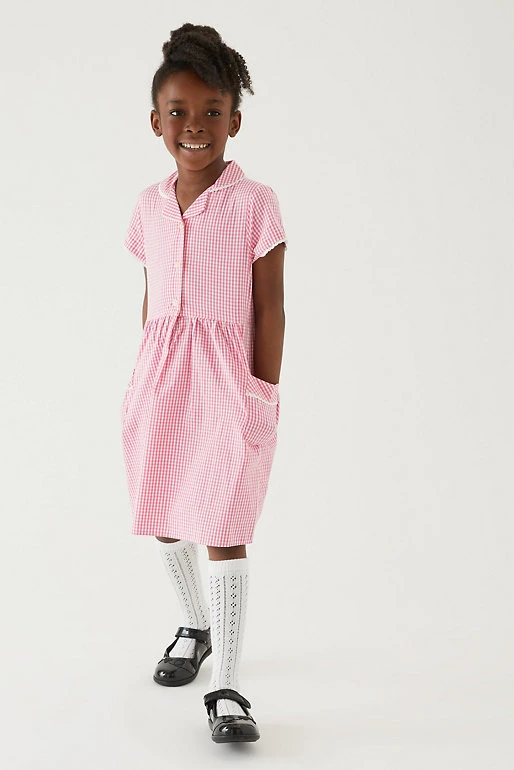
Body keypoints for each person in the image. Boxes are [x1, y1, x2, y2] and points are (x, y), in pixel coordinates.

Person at [120, 23, 287, 744]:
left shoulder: (255, 204)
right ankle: (195, 624)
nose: (196, 126)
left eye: (213, 111)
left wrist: (261, 394)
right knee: (163, 512)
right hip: (160, 380)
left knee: (222, 527)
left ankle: (226, 687)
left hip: (227, 384)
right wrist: (142, 375)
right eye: (180, 112)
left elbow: (270, 307)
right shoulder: (148, 206)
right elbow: (153, 296)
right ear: (156, 121)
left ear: (235, 121)